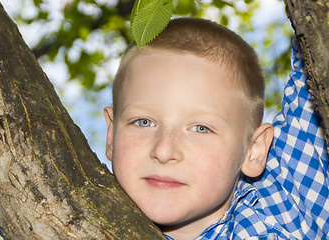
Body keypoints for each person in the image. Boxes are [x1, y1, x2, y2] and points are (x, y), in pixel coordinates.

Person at [103, 17, 329, 239]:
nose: (163, 151)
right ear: (112, 135)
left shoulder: (286, 201)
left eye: (201, 128)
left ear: (254, 150)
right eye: (144, 122)